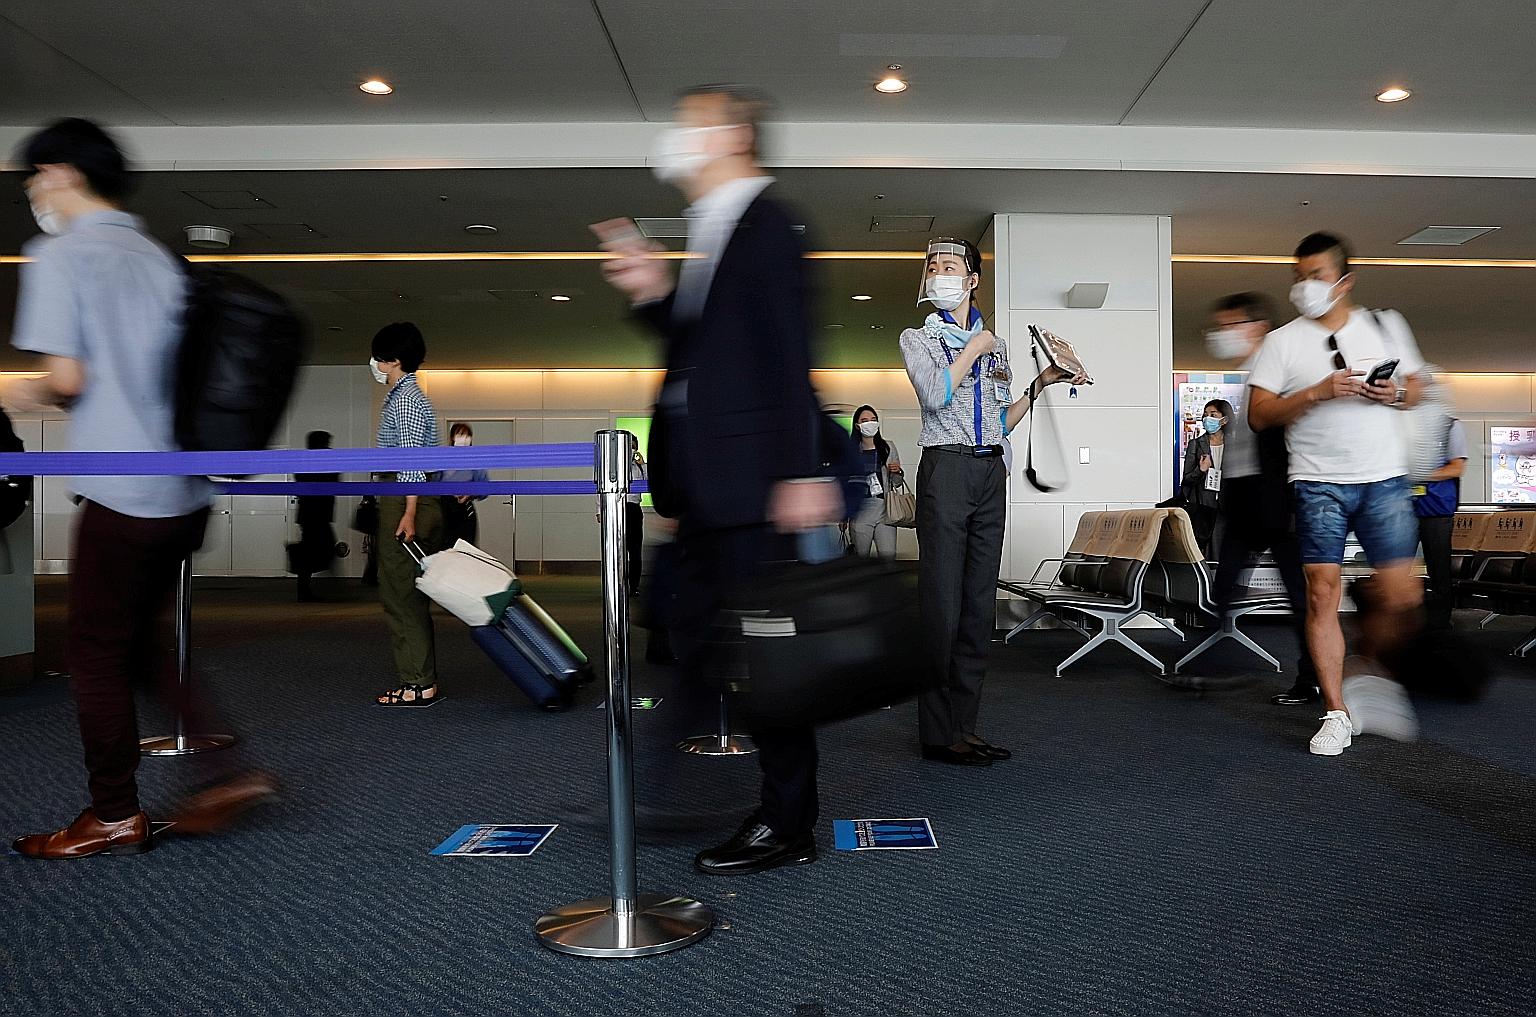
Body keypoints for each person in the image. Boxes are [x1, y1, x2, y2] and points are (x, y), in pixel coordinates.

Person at [6, 118, 271, 858]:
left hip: (122, 490)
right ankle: (230, 772)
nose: (32, 189)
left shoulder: (59, 255)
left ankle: (114, 811)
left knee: (91, 648)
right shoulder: (161, 258)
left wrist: (27, 396)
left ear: (61, 173)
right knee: (137, 644)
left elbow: (68, 378)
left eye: (35, 175)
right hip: (183, 489)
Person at [594, 84, 839, 875]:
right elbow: (704, 352)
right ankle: (669, 783)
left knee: (766, 664)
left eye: (690, 126)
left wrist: (804, 469)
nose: (677, 142)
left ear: (733, 135)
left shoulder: (766, 223)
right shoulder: (715, 229)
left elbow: (787, 350)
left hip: (755, 484)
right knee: (690, 631)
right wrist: (652, 292)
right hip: (708, 487)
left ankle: (785, 820)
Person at [899, 236, 1086, 767]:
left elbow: (1000, 421)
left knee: (980, 603)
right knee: (941, 603)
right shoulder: (918, 338)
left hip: (989, 470)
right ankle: (937, 734)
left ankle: (964, 725)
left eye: (951, 266)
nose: (941, 274)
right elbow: (935, 395)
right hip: (947, 467)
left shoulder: (998, 346)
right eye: (933, 266)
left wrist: (1041, 385)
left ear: (973, 278)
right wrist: (973, 351)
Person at [1246, 232, 1427, 756]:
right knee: (1323, 593)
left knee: (1402, 595)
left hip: (1385, 478)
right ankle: (1335, 711)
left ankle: (1367, 667)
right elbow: (1260, 415)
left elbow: (1418, 388)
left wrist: (1392, 393)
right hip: (1317, 480)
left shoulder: (1385, 326)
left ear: (1344, 281)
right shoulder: (1283, 341)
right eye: (1298, 277)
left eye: (1315, 276)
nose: (1304, 286)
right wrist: (1316, 393)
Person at [1203, 293, 1318, 705]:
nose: (1221, 335)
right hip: (1246, 499)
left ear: (1257, 328)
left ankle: (1312, 677)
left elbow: (1288, 438)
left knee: (1301, 596)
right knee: (1225, 584)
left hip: (1279, 501)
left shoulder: (1282, 374)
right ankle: (1215, 665)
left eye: (1230, 325)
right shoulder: (1249, 376)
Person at [370, 321, 446, 707]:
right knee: (401, 591)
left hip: (406, 498)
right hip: (402, 496)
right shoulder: (403, 397)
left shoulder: (407, 400)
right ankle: (416, 678)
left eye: (380, 357)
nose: (375, 364)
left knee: (402, 594)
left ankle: (418, 682)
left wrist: (410, 511)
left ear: (393, 361)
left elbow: (412, 460)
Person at [1413, 398, 1467, 631]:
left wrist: (1421, 473)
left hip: (1436, 508)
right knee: (1395, 567)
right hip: (1403, 507)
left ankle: (1441, 623)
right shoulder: (1404, 426)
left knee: (1439, 568)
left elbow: (1457, 467)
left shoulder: (1450, 426)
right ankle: (1395, 622)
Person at [844, 405, 903, 560]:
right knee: (860, 559)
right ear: (857, 425)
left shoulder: (888, 447)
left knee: (889, 557)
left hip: (884, 508)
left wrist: (897, 472)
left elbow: (896, 483)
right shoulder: (851, 451)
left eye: (873, 420)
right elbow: (845, 482)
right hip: (860, 509)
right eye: (864, 420)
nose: (869, 423)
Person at [1180, 398, 1233, 557]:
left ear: (1224, 419)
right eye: (1205, 414)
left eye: (1213, 414)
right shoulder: (1195, 444)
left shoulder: (1234, 444)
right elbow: (1187, 480)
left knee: (1228, 551)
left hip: (1229, 507)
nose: (1207, 418)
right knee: (1207, 552)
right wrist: (1201, 470)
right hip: (1204, 508)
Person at [293, 429, 338, 602]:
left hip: (308, 513)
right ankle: (311, 589)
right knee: (321, 548)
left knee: (311, 551)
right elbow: (333, 479)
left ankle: (305, 589)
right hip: (317, 513)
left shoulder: (303, 460)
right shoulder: (324, 459)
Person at [439, 422, 490, 548]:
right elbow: (433, 483)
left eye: (468, 436)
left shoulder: (475, 460)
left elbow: (485, 487)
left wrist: (470, 493)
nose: (465, 439)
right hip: (444, 508)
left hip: (464, 509)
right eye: (461, 435)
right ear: (452, 437)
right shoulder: (442, 458)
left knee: (466, 546)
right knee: (445, 545)